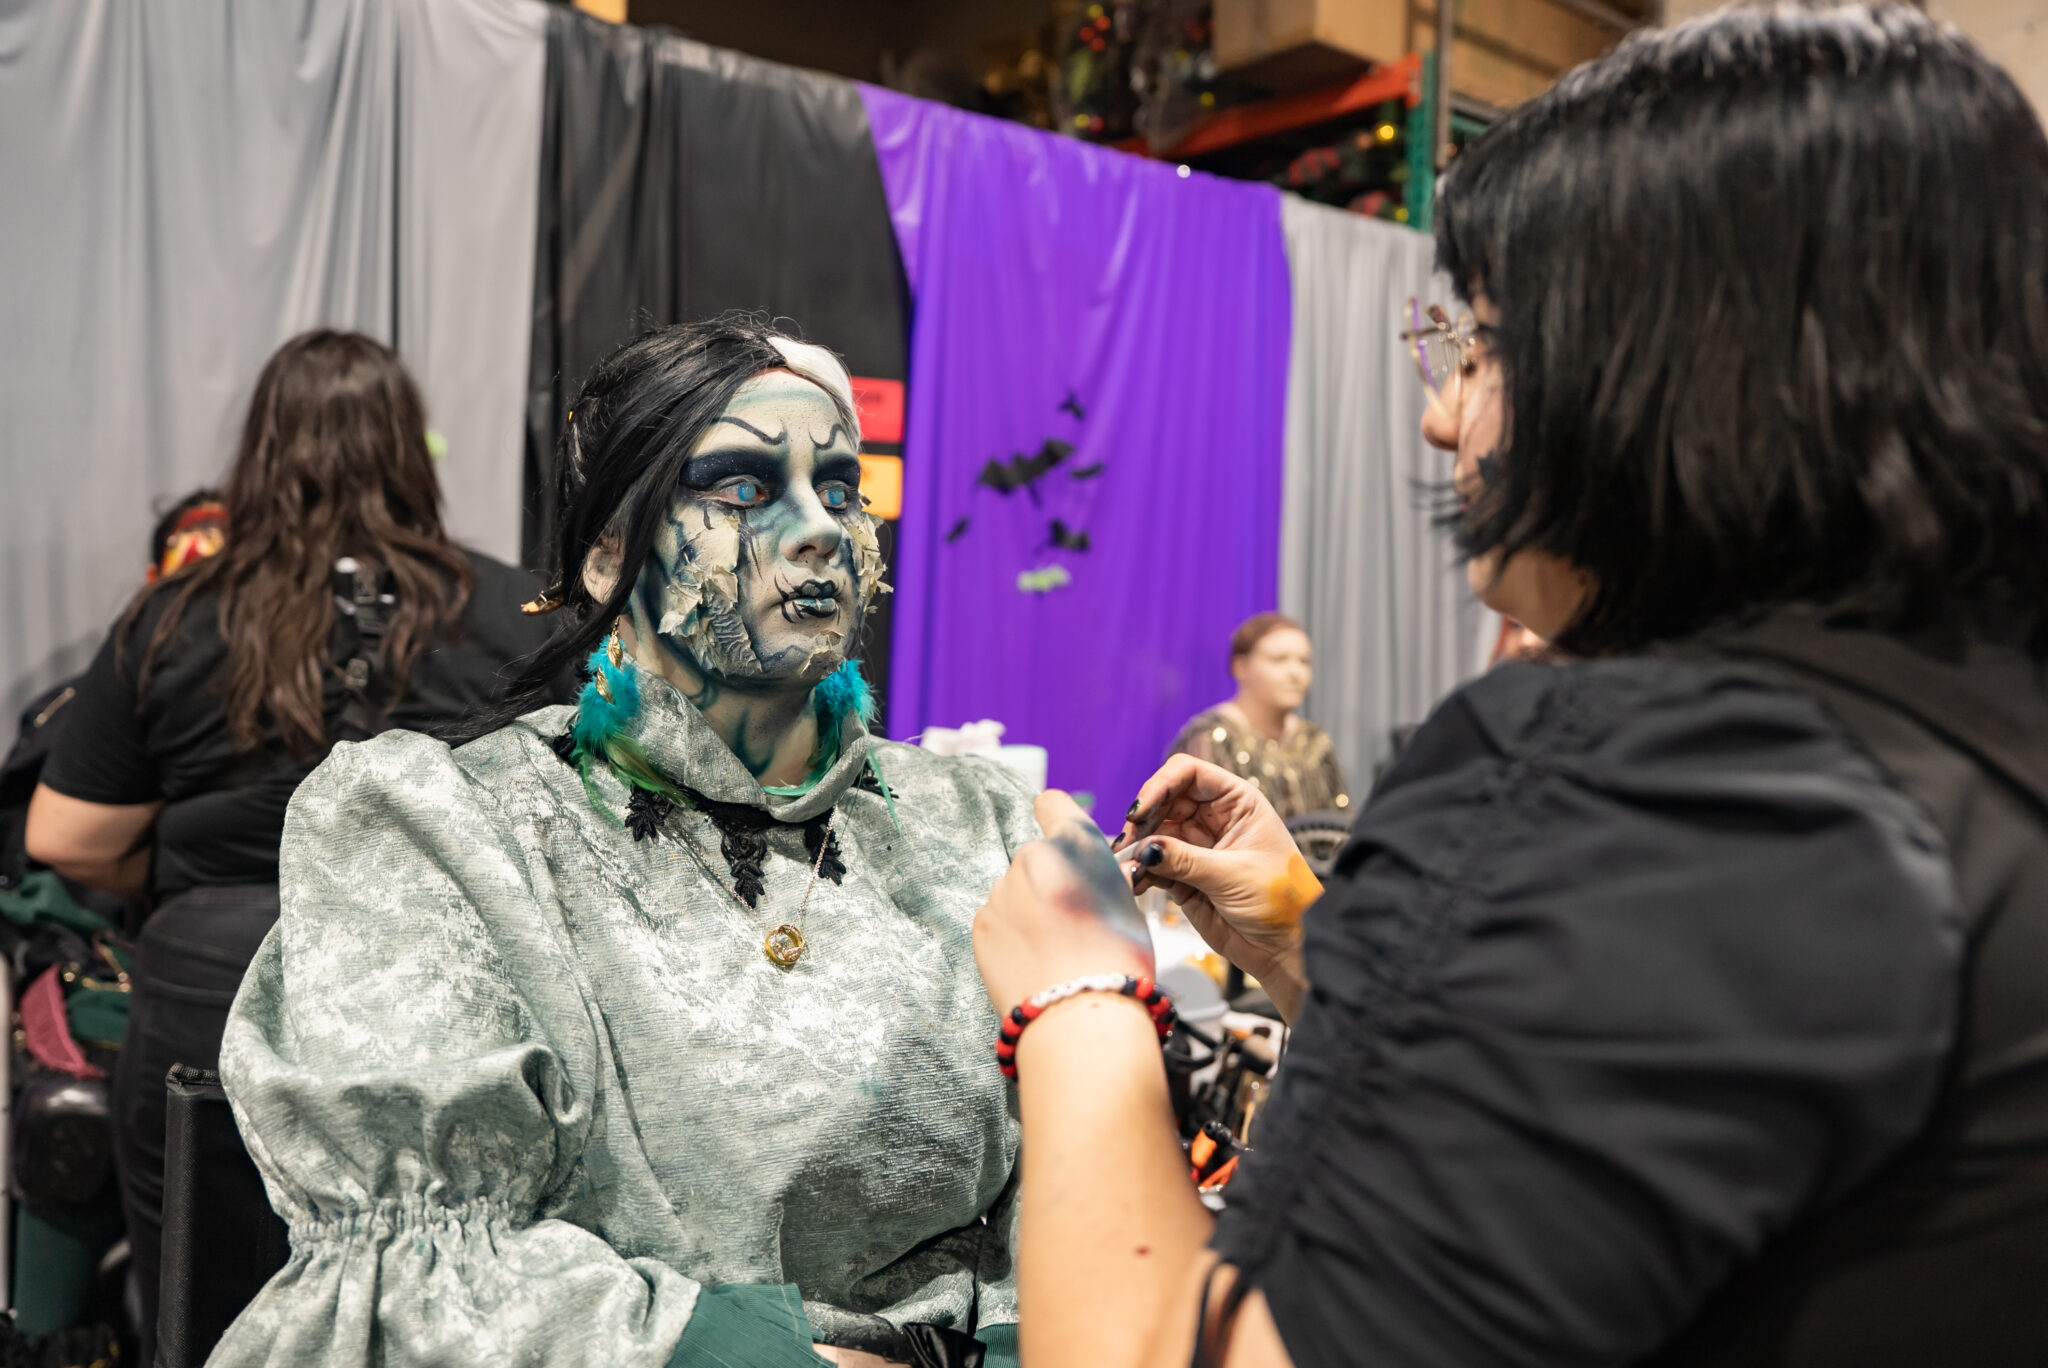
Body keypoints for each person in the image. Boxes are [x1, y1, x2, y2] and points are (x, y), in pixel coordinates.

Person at [969, 7, 2048, 1366]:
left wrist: (1074, 1005)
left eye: (1477, 350)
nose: (1440, 414)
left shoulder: (1664, 783)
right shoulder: (1959, 730)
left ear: (1648, 373)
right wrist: (1325, 948)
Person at [209, 317, 1036, 1368]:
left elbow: (1074, 1178)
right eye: (739, 489)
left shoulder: (976, 824)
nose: (821, 528)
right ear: (606, 558)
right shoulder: (439, 826)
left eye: (839, 490)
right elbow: (424, 1275)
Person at [24, 330, 560, 1365]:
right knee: (437, 1318)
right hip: (437, 1007)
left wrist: (182, 866)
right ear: (411, 451)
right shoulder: (511, 610)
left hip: (206, 1001)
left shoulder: (179, 613)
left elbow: (66, 837)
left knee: (206, 1311)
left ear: (260, 455)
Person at [1167, 614, 1348, 820]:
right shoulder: (1209, 738)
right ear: (1241, 667)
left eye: (1304, 661)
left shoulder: (1314, 741)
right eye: (1279, 660)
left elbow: (1341, 824)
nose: (1296, 672)